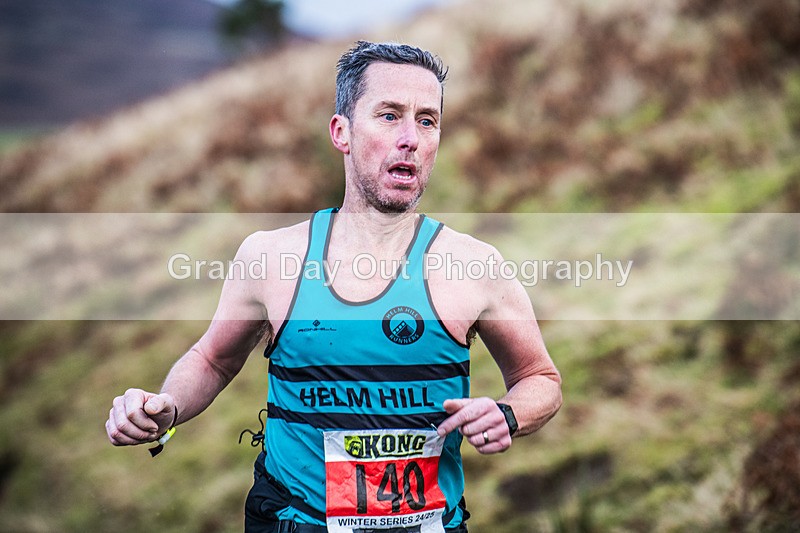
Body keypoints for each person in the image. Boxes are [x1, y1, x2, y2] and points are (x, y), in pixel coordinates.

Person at [105, 41, 562, 532]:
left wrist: (506, 414)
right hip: (290, 522)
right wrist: (166, 408)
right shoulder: (270, 258)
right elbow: (213, 359)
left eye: (426, 121)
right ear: (341, 132)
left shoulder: (475, 266)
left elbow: (541, 379)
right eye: (389, 115)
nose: (410, 137)